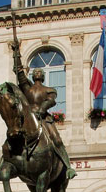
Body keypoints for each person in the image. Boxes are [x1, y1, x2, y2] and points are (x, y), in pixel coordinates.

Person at [12, 46, 76, 180]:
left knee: (57, 140)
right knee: (13, 138)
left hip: (44, 118)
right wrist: (16, 53)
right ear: (33, 75)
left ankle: (68, 167)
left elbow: (51, 101)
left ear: (43, 76)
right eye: (35, 71)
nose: (37, 73)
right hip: (29, 119)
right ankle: (4, 163)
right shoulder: (27, 89)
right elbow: (19, 73)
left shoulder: (49, 90)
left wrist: (43, 108)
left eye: (40, 72)